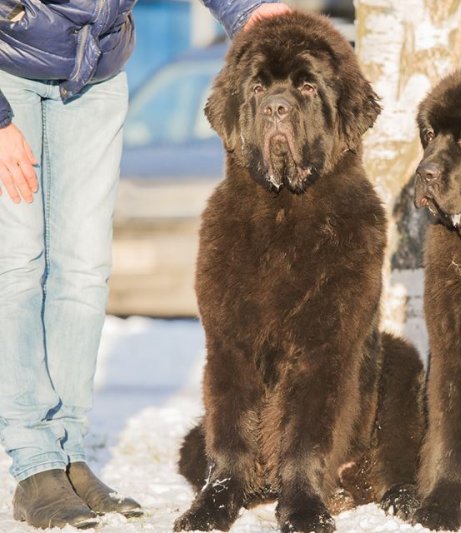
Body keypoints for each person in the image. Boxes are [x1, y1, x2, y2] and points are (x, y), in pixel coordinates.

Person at [0, 0, 290, 528]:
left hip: (96, 78)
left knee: (84, 271)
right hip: (8, 70)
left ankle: (67, 455)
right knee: (19, 269)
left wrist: (246, 9)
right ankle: (34, 461)